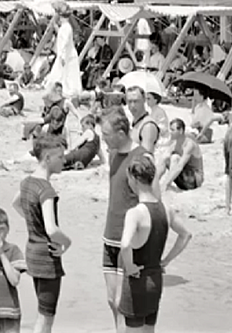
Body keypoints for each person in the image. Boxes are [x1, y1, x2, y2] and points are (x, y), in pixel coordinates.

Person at [118, 155, 193, 333]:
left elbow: (125, 244)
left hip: (137, 283)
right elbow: (186, 235)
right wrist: (165, 261)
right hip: (155, 281)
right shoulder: (166, 210)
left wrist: (130, 267)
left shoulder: (135, 213)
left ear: (134, 179)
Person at [12, 135, 71, 333]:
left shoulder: (27, 182)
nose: (64, 161)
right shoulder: (46, 190)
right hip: (46, 257)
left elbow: (16, 204)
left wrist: (31, 220)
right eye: (60, 157)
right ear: (47, 158)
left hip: (32, 252)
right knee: (46, 317)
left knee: (42, 311)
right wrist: (67, 242)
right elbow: (52, 229)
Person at [99, 108, 150, 332]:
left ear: (121, 133)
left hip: (129, 239)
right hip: (109, 234)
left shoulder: (140, 158)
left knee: (124, 302)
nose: (103, 139)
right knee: (112, 300)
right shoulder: (112, 154)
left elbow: (150, 200)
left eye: (106, 134)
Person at [43, 3, 81, 98]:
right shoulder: (66, 27)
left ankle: (67, 92)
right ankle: (63, 91)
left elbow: (64, 43)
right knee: (62, 74)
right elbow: (62, 36)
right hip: (66, 55)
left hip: (66, 55)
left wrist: (62, 56)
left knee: (67, 75)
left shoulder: (66, 27)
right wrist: (56, 27)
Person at [159, 118, 204, 192]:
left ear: (181, 131)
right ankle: (153, 182)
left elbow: (180, 166)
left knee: (175, 158)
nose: (171, 132)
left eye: (173, 130)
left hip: (195, 180)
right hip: (184, 177)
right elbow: (163, 160)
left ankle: (166, 185)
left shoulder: (189, 144)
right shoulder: (175, 143)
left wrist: (165, 184)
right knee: (165, 158)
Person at [127, 87, 160, 154]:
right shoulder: (134, 122)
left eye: (136, 101)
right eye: (130, 101)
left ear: (144, 100)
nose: (132, 105)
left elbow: (146, 157)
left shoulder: (148, 126)